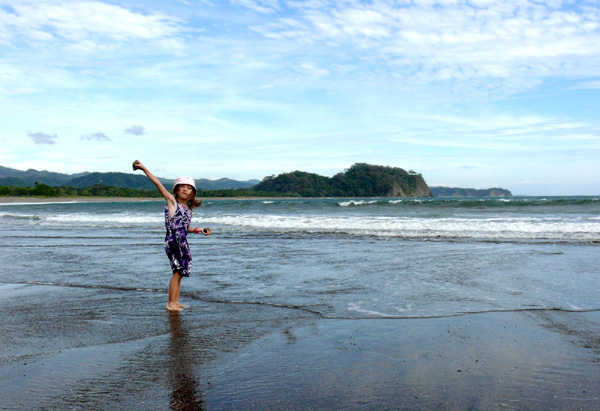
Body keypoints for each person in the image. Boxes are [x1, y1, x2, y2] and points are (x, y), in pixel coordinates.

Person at [134, 160, 211, 311]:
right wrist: (143, 168)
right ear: (176, 189)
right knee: (177, 273)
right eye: (182, 186)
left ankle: (176, 301)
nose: (185, 189)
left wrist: (199, 230)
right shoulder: (172, 202)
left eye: (188, 187)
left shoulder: (188, 208)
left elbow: (184, 227)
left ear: (193, 192)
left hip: (182, 241)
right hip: (173, 241)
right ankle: (171, 304)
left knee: (180, 273)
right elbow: (158, 183)